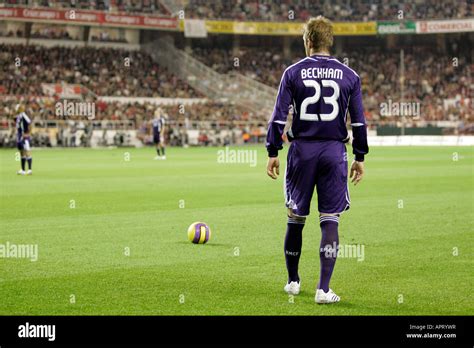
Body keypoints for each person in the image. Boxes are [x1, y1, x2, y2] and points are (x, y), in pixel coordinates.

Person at [265, 16, 369, 304]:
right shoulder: (350, 76)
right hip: (334, 152)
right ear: (329, 42)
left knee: (296, 217)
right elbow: (359, 123)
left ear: (307, 41)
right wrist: (359, 156)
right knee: (330, 219)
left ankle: (293, 282)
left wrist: (273, 151)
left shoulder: (293, 72)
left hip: (302, 151)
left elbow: (278, 115)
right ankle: (323, 289)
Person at [14, 104, 33, 175]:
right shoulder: (18, 116)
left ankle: (30, 169)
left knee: (27, 151)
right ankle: (23, 170)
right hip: (19, 137)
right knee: (22, 153)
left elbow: (30, 124)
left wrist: (28, 134)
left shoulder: (23, 115)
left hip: (24, 137)